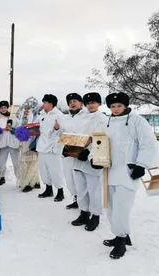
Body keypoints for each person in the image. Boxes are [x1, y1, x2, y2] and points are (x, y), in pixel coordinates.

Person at [94, 92, 158, 259]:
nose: (115, 109)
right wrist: (93, 158)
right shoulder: (107, 122)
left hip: (128, 172)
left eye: (119, 106)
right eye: (113, 106)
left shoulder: (137, 122)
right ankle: (120, 235)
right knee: (111, 207)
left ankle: (121, 241)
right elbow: (98, 143)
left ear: (125, 106)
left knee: (121, 208)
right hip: (109, 171)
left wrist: (141, 165)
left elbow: (149, 144)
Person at [70, 93, 108, 231]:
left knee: (94, 190)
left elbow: (101, 138)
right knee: (80, 189)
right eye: (88, 102)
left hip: (92, 159)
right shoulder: (82, 118)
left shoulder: (103, 119)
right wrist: (68, 147)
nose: (91, 105)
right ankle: (84, 212)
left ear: (99, 103)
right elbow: (75, 135)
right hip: (77, 158)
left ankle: (96, 216)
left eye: (93, 102)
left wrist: (87, 151)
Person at [36, 94, 66, 202]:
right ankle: (48, 189)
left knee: (55, 171)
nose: (43, 104)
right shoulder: (42, 115)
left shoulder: (59, 115)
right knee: (44, 170)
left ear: (51, 103)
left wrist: (57, 129)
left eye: (45, 102)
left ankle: (60, 191)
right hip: (42, 147)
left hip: (53, 148)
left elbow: (64, 132)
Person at [62, 93, 87, 210]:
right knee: (69, 177)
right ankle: (76, 199)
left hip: (81, 152)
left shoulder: (86, 116)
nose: (72, 103)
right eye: (70, 102)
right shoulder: (66, 117)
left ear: (81, 102)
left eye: (75, 101)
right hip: (69, 151)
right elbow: (63, 133)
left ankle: (86, 205)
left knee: (81, 179)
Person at [15, 97, 42, 192]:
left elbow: (40, 131)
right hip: (23, 144)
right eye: (25, 108)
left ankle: (30, 183)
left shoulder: (38, 118)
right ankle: (31, 181)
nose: (26, 110)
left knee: (33, 163)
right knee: (24, 163)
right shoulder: (21, 118)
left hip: (33, 144)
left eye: (28, 108)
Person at [0, 100, 20, 186]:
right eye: (1, 108)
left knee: (16, 162)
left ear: (7, 108)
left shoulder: (13, 117)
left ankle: (19, 179)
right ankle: (2, 177)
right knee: (1, 162)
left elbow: (18, 127)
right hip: (3, 143)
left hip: (13, 143)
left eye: (5, 107)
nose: (3, 109)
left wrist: (13, 130)